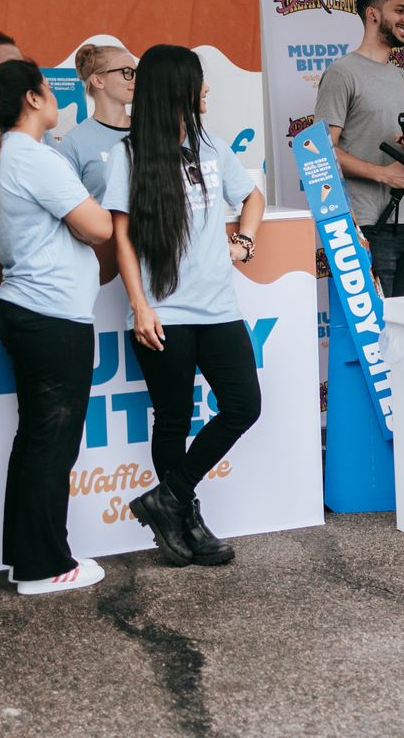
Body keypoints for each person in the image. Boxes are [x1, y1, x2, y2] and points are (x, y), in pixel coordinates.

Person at [0, 59, 114, 596]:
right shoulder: (35, 157)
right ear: (31, 99)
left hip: (32, 310)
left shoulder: (10, 154)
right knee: (52, 441)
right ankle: (45, 565)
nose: (55, 98)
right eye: (49, 90)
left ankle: (30, 558)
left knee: (38, 439)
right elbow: (96, 226)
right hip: (50, 315)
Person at [105, 46, 264, 568]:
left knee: (244, 405)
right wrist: (139, 305)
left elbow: (252, 197)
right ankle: (184, 519)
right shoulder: (129, 156)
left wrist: (244, 242)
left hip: (219, 307)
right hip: (164, 313)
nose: (207, 92)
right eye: (200, 83)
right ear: (177, 89)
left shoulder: (211, 146)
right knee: (173, 419)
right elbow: (121, 238)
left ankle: (167, 498)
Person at [315, 0, 404, 298]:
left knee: (401, 334)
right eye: (400, 10)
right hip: (365, 226)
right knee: (373, 338)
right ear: (372, 14)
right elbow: (322, 152)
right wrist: (382, 173)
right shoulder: (342, 73)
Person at [57, 43, 137, 199]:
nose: (134, 79)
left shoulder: (151, 131)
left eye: (136, 72)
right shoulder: (74, 142)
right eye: (127, 72)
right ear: (98, 81)